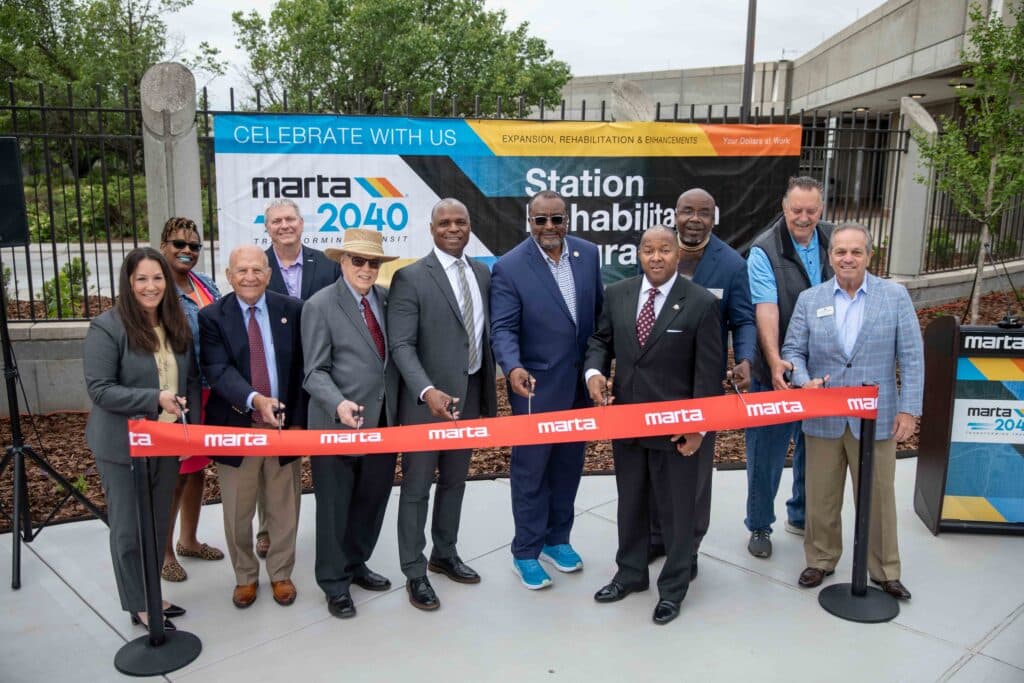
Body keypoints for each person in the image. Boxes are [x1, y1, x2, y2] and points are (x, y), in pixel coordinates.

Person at [584, 225, 722, 625]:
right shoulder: (619, 294)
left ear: (678, 254)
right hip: (628, 424)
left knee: (678, 512)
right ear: (639, 255)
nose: (656, 257)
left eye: (664, 250)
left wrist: (699, 428)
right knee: (630, 504)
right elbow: (600, 341)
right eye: (648, 250)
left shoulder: (701, 304)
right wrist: (594, 373)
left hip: (678, 432)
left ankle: (673, 588)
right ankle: (630, 574)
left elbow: (708, 375)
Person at [782, 223, 922, 600]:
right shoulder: (811, 300)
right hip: (824, 415)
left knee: (878, 497)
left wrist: (909, 410)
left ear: (869, 257)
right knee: (821, 496)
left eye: (855, 252)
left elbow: (911, 356)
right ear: (830, 257)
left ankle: (884, 569)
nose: (847, 258)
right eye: (840, 251)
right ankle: (821, 559)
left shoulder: (894, 297)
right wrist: (804, 380)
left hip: (876, 418)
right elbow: (793, 350)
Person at [490, 190, 603, 590]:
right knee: (531, 470)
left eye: (557, 219)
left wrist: (598, 369)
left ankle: (557, 540)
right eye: (541, 220)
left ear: (567, 220)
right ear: (529, 221)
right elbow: (502, 329)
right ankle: (525, 550)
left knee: (569, 466)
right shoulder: (509, 267)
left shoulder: (588, 255)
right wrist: (513, 366)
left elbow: (598, 320)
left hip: (579, 386)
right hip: (535, 387)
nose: (549, 227)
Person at [388, 198, 497, 611]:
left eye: (461, 221)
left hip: (467, 398)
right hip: (425, 404)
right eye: (444, 222)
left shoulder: (482, 273)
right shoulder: (411, 278)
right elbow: (401, 344)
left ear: (470, 226)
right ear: (431, 229)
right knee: (417, 489)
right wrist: (426, 390)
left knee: (455, 481)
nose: (453, 228)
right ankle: (414, 571)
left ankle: (444, 553)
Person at [84, 247, 198, 630]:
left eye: (158, 278)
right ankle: (138, 604)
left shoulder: (174, 323)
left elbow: (190, 380)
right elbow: (100, 389)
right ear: (128, 283)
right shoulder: (108, 326)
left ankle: (152, 594)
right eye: (142, 279)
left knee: (155, 525)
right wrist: (153, 399)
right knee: (130, 529)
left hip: (165, 443)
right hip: (123, 447)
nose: (151, 287)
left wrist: (187, 432)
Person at [647, 188, 756, 575]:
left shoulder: (730, 264)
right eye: (687, 211)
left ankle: (688, 547)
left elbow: (743, 318)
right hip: (654, 382)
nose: (695, 219)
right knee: (655, 466)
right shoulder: (656, 252)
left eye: (704, 213)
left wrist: (744, 358)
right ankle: (656, 537)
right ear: (674, 214)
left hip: (701, 385)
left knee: (693, 470)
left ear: (715, 217)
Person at [199, 246, 306, 609]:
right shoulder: (212, 316)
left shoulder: (291, 310)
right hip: (237, 426)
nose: (249, 277)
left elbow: (301, 371)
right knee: (237, 511)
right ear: (228, 276)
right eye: (241, 270)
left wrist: (299, 425)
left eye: (257, 270)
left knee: (283, 507)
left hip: (282, 429)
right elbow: (217, 371)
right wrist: (255, 399)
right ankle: (245, 576)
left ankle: (280, 573)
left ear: (269, 274)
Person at [301, 229, 400, 619]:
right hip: (335, 424)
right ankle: (333, 582)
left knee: (371, 501)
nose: (365, 268)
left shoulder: (389, 300)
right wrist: (339, 404)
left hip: (383, 423)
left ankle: (356, 564)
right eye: (357, 260)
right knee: (335, 508)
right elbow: (314, 372)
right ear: (342, 262)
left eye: (372, 262)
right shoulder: (320, 305)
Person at [744, 176, 833, 559]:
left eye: (811, 210)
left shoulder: (835, 240)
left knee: (814, 448)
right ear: (784, 208)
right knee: (766, 453)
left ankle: (800, 514)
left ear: (822, 210)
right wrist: (773, 358)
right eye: (796, 210)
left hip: (824, 373)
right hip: (777, 371)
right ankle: (760, 525)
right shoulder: (764, 250)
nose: (803, 217)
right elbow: (766, 308)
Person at [256, 198, 341, 560]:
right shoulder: (256, 266)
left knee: (323, 457)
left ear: (302, 224)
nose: (284, 225)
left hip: (321, 374)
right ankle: (267, 530)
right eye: (276, 221)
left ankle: (333, 527)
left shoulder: (326, 264)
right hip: (276, 378)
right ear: (267, 227)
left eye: (290, 219)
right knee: (274, 458)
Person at [158, 216, 225, 582]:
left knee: (198, 467)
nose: (187, 251)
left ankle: (189, 539)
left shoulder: (205, 283)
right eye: (179, 244)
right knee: (176, 473)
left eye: (194, 246)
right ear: (164, 246)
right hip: (178, 392)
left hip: (207, 388)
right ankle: (165, 551)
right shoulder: (159, 288)